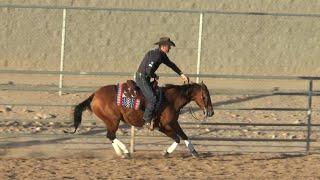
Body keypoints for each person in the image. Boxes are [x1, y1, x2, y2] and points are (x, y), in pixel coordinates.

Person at [135, 37, 189, 130]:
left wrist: (181, 74)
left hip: (145, 78)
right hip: (142, 78)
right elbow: (148, 70)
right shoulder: (156, 55)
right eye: (169, 46)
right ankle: (147, 119)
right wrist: (155, 76)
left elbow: (171, 65)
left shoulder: (162, 55)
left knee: (158, 95)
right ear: (163, 46)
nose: (170, 48)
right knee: (153, 98)